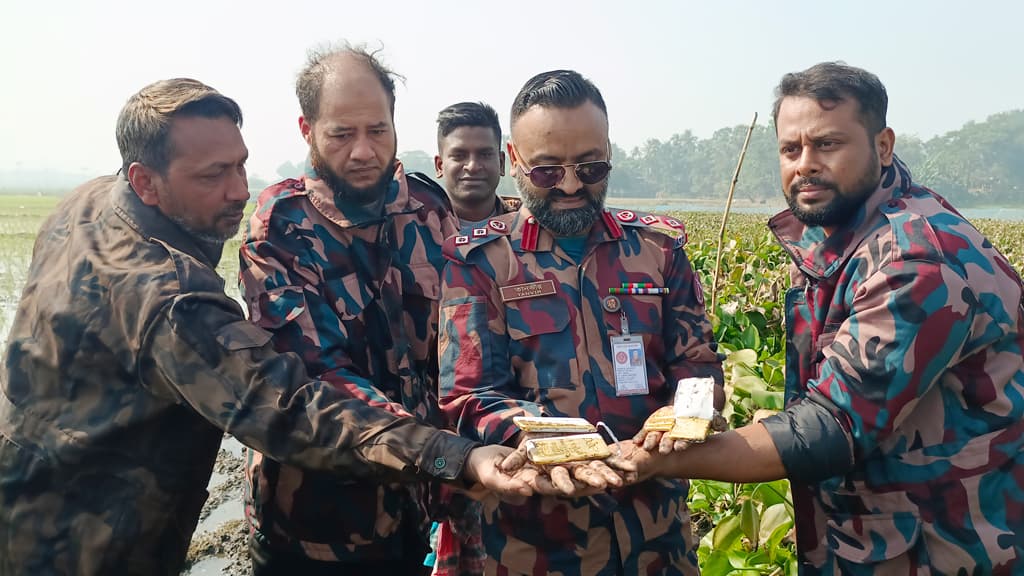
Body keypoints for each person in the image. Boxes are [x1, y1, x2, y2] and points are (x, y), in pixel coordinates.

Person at [0, 77, 527, 576]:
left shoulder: (91, 200)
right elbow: (284, 404)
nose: (238, 192)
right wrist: (452, 455)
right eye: (212, 175)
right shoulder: (172, 298)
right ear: (145, 180)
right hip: (86, 538)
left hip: (26, 483)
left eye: (240, 166)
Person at [627, 62, 1024, 574]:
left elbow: (830, 423)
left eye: (827, 145)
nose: (805, 164)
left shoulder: (917, 258)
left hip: (946, 546)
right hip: (869, 535)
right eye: (791, 150)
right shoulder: (835, 234)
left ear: (882, 146)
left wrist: (651, 459)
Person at [239, 45, 520, 576]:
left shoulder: (427, 208)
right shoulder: (281, 226)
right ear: (308, 129)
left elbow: (464, 350)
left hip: (418, 508)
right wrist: (447, 455)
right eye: (342, 134)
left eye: (378, 129)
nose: (364, 151)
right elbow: (318, 375)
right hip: (315, 525)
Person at [438, 69, 724, 575]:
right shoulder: (479, 261)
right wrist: (548, 440)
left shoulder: (657, 251)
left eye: (590, 168)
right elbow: (469, 396)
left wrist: (682, 419)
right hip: (536, 542)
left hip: (657, 533)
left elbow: (696, 365)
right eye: (547, 171)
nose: (571, 185)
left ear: (609, 153)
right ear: (514, 161)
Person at [434, 101, 520, 226]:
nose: (472, 166)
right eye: (459, 156)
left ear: (501, 163)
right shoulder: (420, 227)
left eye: (485, 155)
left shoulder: (531, 224)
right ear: (439, 166)